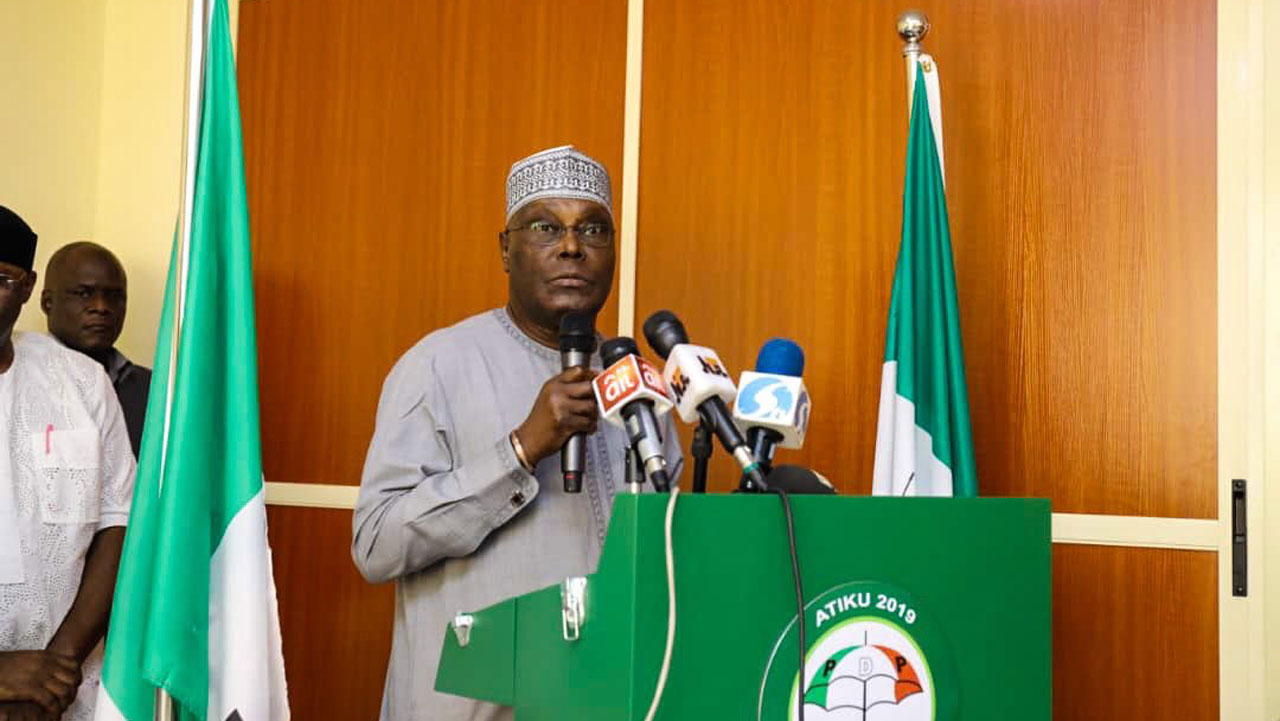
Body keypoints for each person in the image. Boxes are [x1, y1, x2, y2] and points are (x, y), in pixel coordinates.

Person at [352, 146, 684, 720]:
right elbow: (376, 546)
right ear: (506, 249)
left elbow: (668, 567)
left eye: (593, 229)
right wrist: (521, 449)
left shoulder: (641, 389)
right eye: (546, 227)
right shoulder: (436, 367)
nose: (572, 246)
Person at [0, 207, 135, 721]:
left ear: (28, 288)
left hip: (68, 688)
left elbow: (116, 523)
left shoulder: (81, 383)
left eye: (1, 280)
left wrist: (56, 670)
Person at [40, 243, 151, 458]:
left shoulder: (153, 390)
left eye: (114, 296)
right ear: (48, 303)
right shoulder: (20, 378)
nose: (101, 307)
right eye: (84, 294)